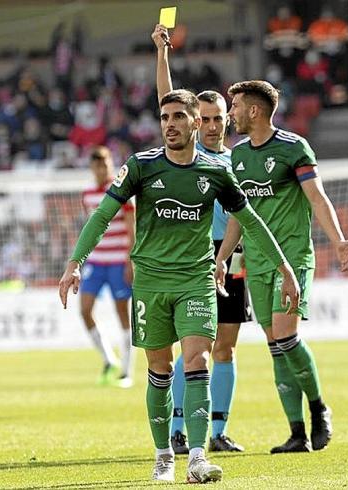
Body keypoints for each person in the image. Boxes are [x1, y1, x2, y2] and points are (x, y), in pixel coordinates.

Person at [59, 89, 300, 483]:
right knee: (159, 368)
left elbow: (252, 221)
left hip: (195, 281)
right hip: (151, 285)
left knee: (197, 361)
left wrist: (285, 268)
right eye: (164, 117)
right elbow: (104, 214)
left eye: (177, 117)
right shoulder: (141, 166)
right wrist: (74, 263)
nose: (169, 124)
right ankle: (163, 455)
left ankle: (199, 457)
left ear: (194, 121)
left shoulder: (216, 172)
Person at [217, 80, 348, 453]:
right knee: (274, 346)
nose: (230, 114)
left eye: (235, 107)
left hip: (293, 259)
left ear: (254, 110)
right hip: (256, 262)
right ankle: (296, 433)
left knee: (287, 337)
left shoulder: (293, 147)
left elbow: (316, 196)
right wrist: (222, 258)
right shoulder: (238, 155)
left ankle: (318, 408)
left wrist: (338, 238)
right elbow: (237, 216)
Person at [152, 24, 251, 454]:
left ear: (228, 120)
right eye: (204, 119)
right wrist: (162, 54)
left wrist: (229, 255)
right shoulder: (191, 154)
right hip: (192, 256)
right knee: (192, 345)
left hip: (231, 256)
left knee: (225, 347)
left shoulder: (237, 160)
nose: (211, 126)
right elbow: (166, 98)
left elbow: (243, 215)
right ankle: (177, 428)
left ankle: (218, 430)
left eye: (217, 119)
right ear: (196, 121)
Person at [80, 146, 135, 387]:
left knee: (122, 313)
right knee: (84, 309)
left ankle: (126, 371)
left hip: (118, 261)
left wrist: (130, 259)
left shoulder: (121, 190)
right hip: (96, 260)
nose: (102, 169)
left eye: (105, 164)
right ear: (92, 168)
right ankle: (109, 358)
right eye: (97, 165)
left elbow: (132, 226)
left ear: (110, 164)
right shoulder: (88, 194)